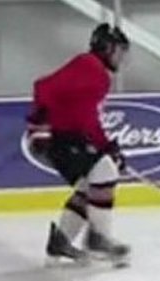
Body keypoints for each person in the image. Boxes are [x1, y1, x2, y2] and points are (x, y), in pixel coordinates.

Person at [26, 22, 131, 266]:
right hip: (60, 138)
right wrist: (41, 123)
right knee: (105, 171)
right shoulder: (91, 68)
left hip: (64, 137)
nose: (121, 58)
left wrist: (107, 147)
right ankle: (99, 239)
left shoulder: (91, 68)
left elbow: (81, 114)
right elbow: (44, 88)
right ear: (106, 48)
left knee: (90, 186)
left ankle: (61, 242)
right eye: (119, 51)